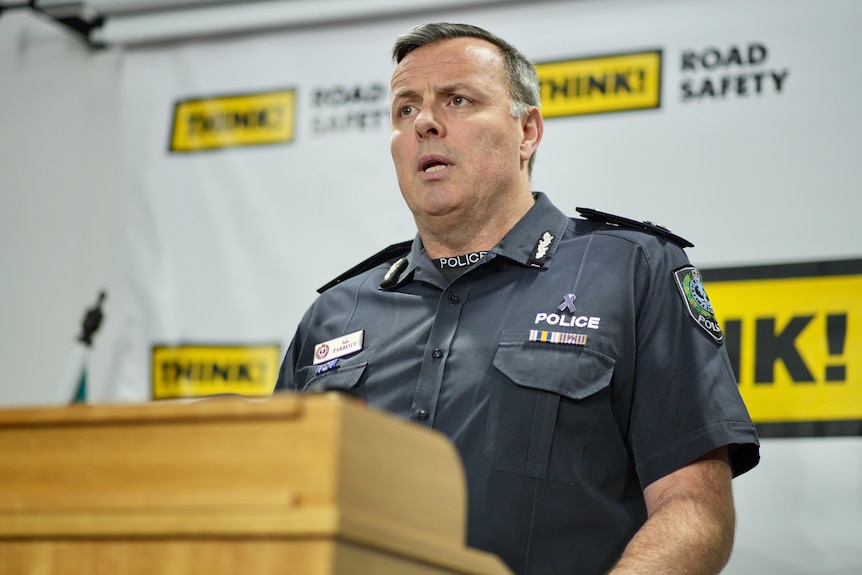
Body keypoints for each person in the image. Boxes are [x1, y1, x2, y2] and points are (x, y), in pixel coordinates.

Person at [275, 22, 759, 575]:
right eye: (405, 109)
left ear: (527, 132)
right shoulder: (338, 310)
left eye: (458, 100)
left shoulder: (631, 269)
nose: (426, 123)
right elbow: (275, 513)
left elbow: (694, 509)